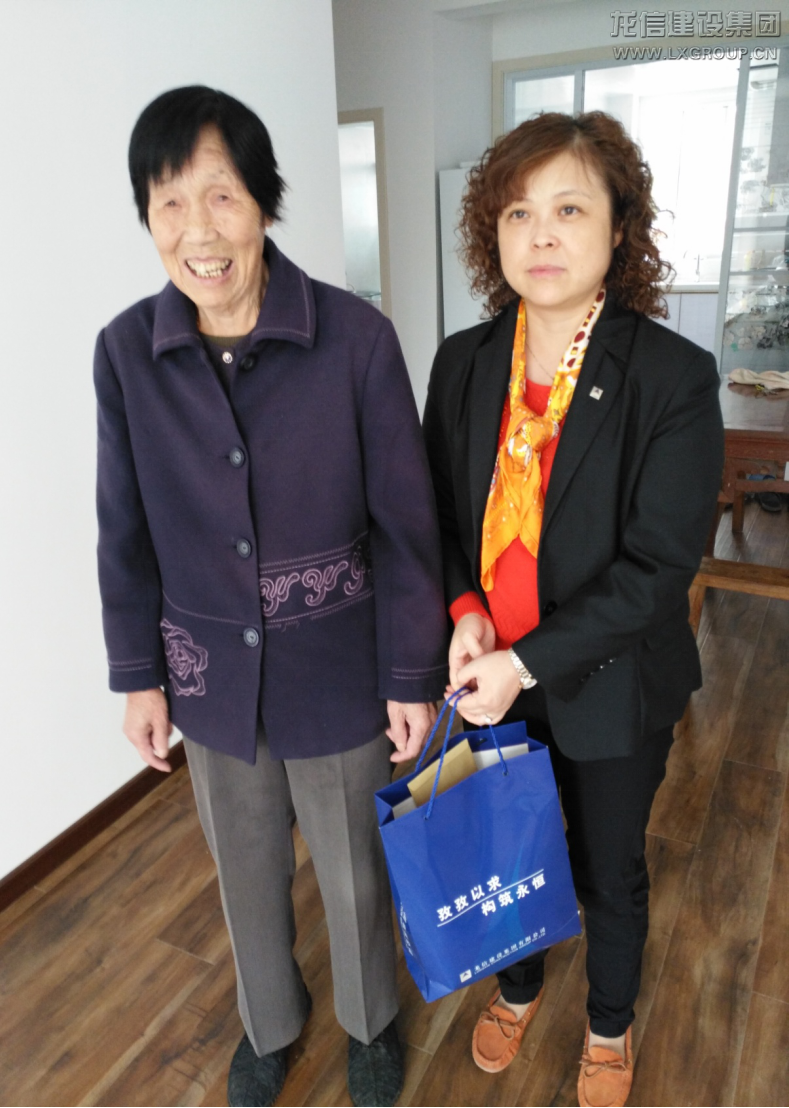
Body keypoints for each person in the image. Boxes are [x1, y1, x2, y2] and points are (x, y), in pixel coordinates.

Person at [94, 85, 448, 1108]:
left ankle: (371, 1025)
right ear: (148, 218)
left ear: (263, 204)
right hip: (210, 679)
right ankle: (270, 1023)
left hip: (337, 670)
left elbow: (407, 524)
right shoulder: (126, 353)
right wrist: (139, 676)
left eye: (220, 196)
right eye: (169, 203)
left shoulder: (354, 338)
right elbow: (123, 527)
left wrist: (410, 674)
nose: (197, 231)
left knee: (353, 871)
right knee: (243, 873)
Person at [423, 111, 724, 1108]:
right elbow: (438, 515)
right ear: (492, 232)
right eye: (518, 212)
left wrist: (523, 660)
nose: (541, 235)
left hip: (610, 681)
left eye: (568, 209)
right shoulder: (464, 363)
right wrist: (464, 609)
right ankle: (516, 985)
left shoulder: (670, 377)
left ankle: (607, 1022)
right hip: (487, 672)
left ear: (617, 228)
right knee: (505, 845)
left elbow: (657, 568)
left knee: (606, 867)